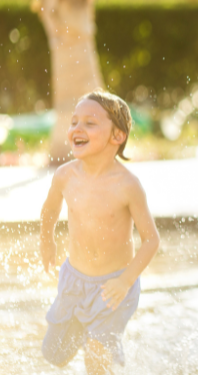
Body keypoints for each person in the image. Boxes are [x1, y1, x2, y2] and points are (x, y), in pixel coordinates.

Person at [40, 90, 160, 375]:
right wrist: (47, 241)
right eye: (74, 122)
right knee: (54, 354)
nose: (77, 129)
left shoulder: (127, 185)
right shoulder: (65, 176)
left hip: (114, 286)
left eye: (90, 123)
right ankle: (91, 332)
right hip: (74, 280)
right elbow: (49, 210)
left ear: (117, 136)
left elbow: (151, 240)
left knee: (96, 355)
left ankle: (100, 342)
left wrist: (125, 281)